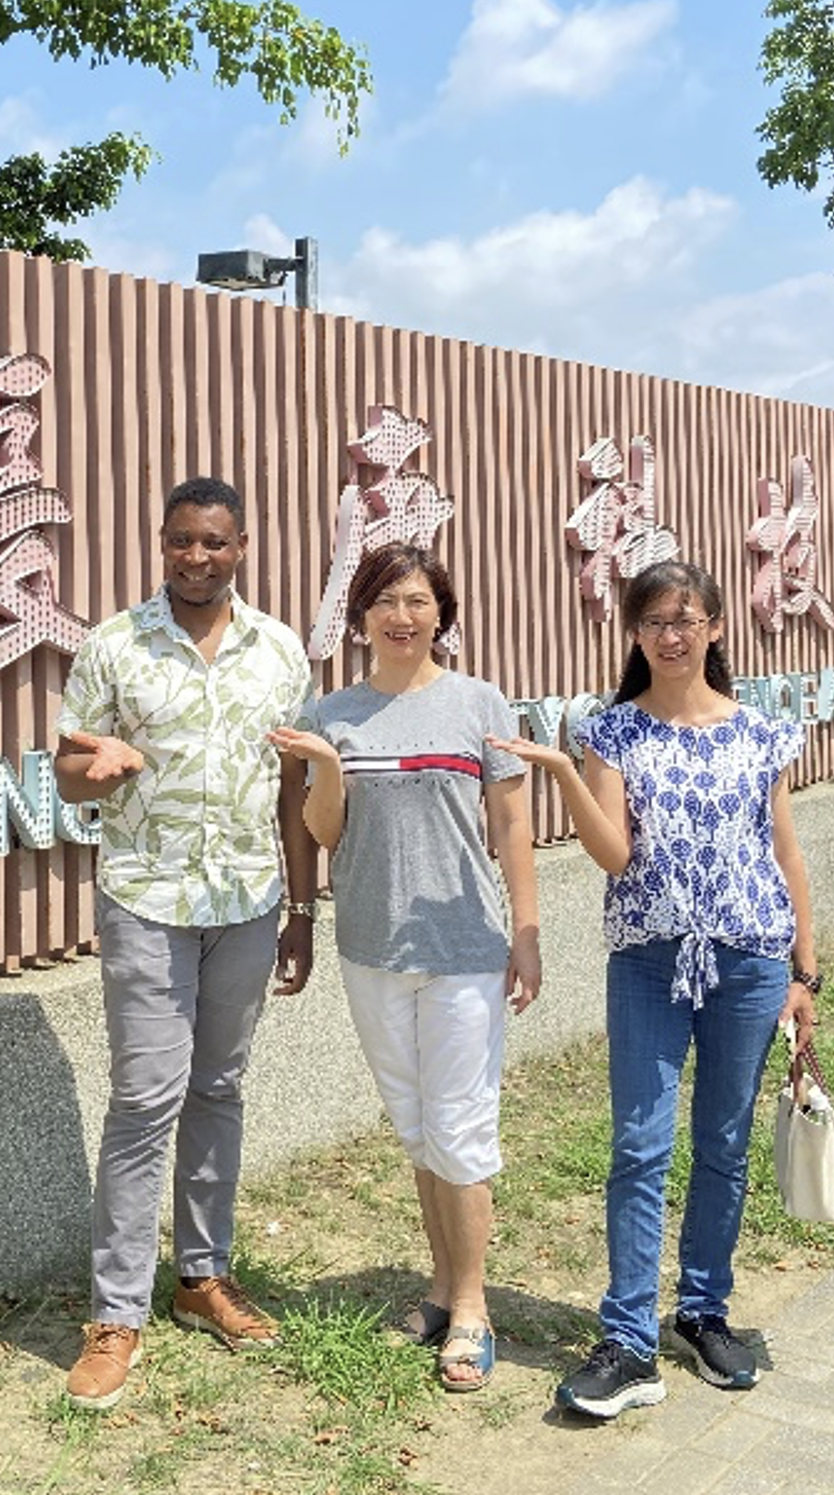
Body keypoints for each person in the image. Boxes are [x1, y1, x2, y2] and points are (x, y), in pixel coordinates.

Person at [491, 558, 819, 1419]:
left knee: (723, 1143)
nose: (671, 636)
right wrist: (566, 775)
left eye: (687, 619)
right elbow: (615, 857)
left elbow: (784, 859)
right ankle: (629, 1339)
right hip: (648, 962)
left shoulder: (762, 733)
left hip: (750, 959)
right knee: (640, 1145)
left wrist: (803, 972)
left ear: (715, 627)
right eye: (653, 622)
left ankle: (703, 1313)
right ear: (634, 634)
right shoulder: (613, 735)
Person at [52, 475, 318, 1412]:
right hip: (147, 903)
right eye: (180, 542)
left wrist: (302, 911)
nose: (195, 558)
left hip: (247, 902)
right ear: (161, 544)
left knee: (218, 1090)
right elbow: (67, 774)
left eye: (213, 542)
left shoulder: (281, 652)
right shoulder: (114, 646)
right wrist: (100, 766)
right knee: (143, 1100)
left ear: (242, 545)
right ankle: (115, 1314)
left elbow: (294, 793)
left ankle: (201, 1279)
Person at [265, 543, 540, 1395]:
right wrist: (329, 766)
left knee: (461, 1129)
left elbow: (512, 827)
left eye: (418, 600)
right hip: (372, 950)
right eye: (385, 599)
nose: (402, 615)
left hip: (464, 947)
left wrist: (526, 930)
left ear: (440, 613)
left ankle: (471, 1308)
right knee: (418, 1124)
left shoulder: (478, 703)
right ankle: (438, 1284)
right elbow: (320, 832)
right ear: (361, 616)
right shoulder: (333, 714)